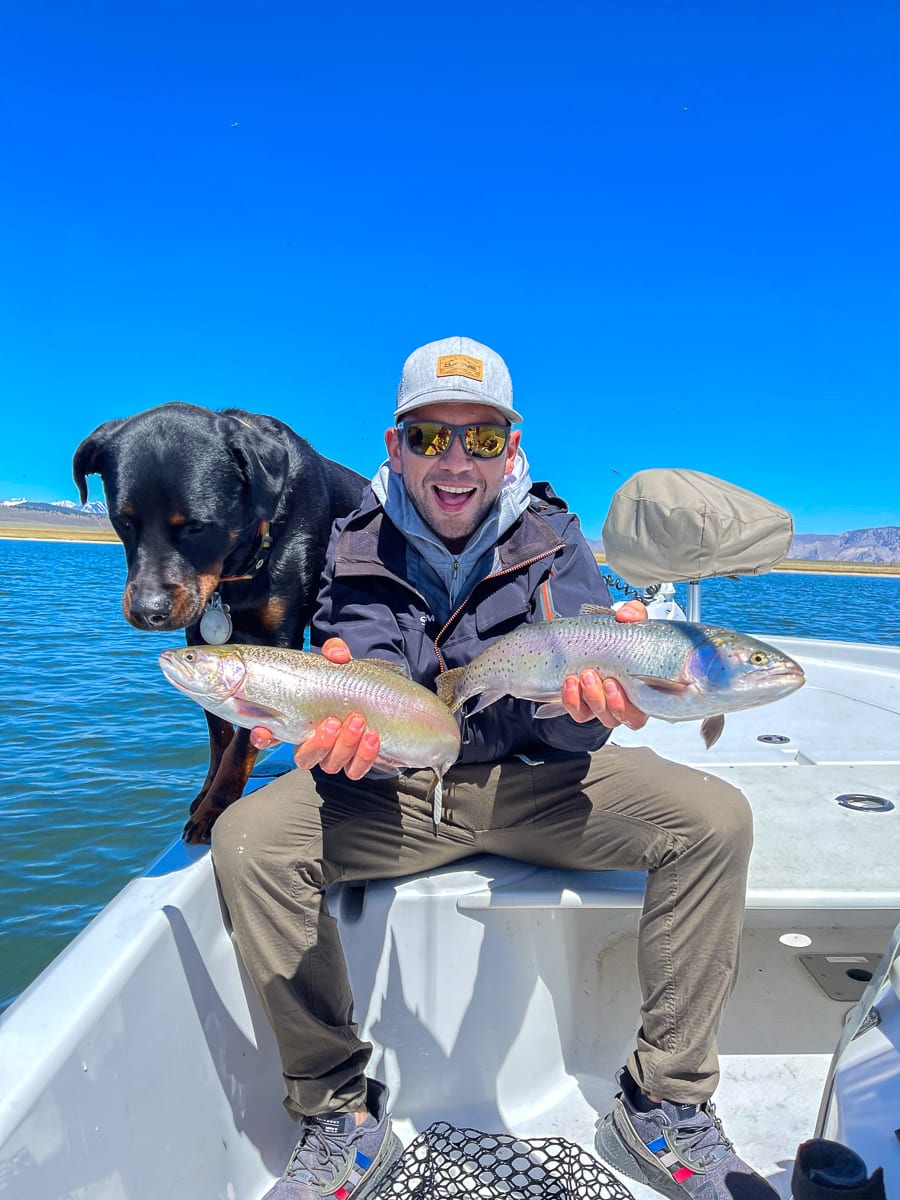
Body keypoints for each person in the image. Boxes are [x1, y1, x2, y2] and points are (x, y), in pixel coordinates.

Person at [211, 336, 776, 1200]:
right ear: (396, 446)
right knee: (250, 841)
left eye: (480, 439)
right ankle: (338, 1113)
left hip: (540, 782)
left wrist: (593, 710)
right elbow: (372, 671)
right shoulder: (354, 545)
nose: (455, 461)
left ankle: (663, 1100)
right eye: (431, 437)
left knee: (715, 821)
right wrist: (348, 731)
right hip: (398, 788)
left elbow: (585, 715)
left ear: (510, 447)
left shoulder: (558, 541)